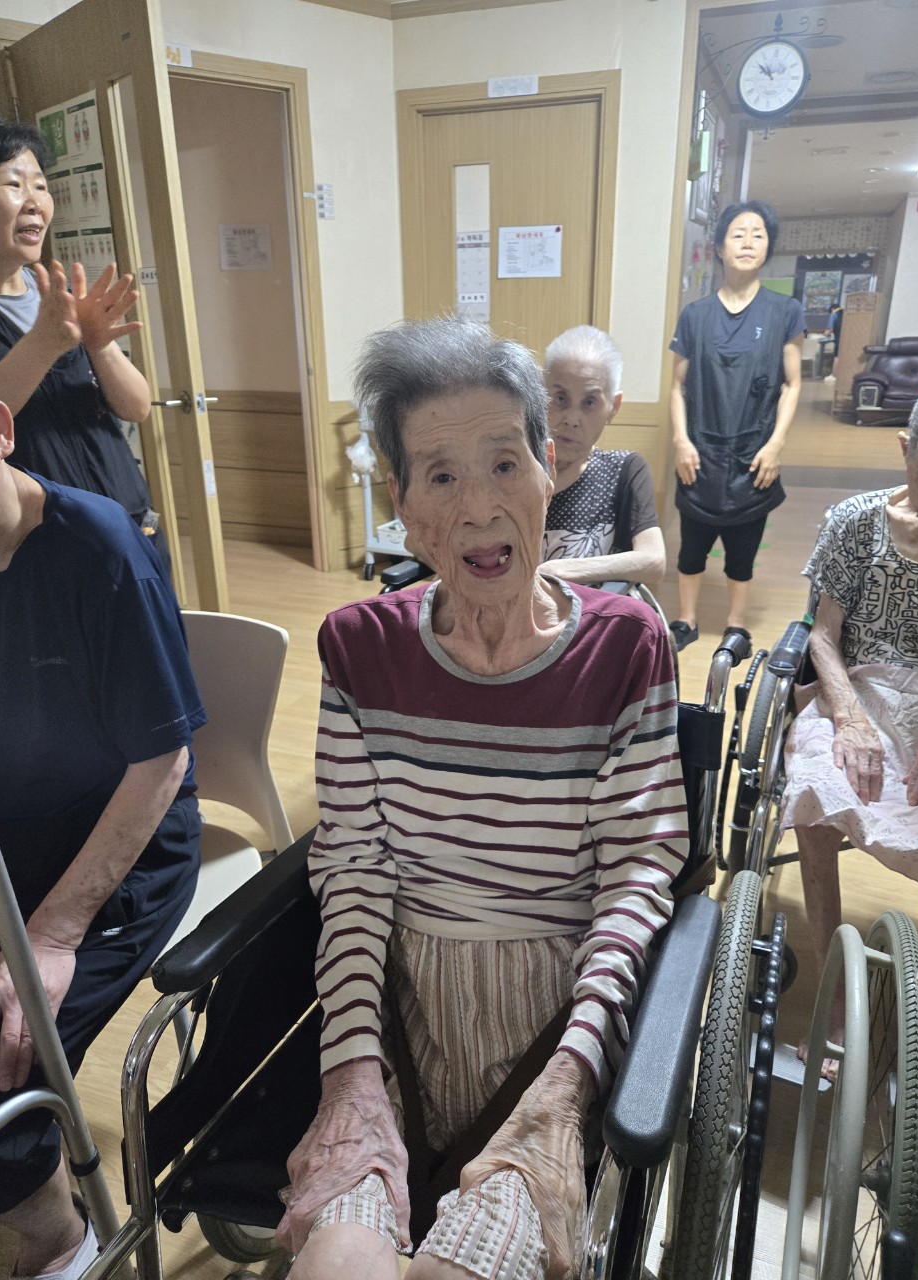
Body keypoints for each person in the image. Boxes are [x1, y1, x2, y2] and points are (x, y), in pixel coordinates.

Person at [275, 316, 688, 1280]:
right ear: (402, 505)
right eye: (441, 476)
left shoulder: (626, 649)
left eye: (505, 464)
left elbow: (637, 876)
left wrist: (567, 1084)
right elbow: (354, 870)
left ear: (550, 469)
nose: (479, 508)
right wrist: (351, 1075)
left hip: (562, 1021)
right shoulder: (359, 649)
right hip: (399, 1017)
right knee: (336, 1264)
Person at [0, 383, 205, 1280]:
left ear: (0, 430)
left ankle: (62, 1244)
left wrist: (50, 935)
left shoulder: (99, 548)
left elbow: (163, 764)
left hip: (117, 847)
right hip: (2, 844)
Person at [781, 381, 918, 1076]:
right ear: (905, 450)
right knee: (816, 786)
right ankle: (834, 1000)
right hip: (858, 689)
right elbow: (822, 634)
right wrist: (848, 719)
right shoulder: (856, 520)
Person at [0, 113, 167, 566]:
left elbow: (137, 407)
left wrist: (99, 344)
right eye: (14, 184)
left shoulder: (56, 296)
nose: (35, 202)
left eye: (41, 186)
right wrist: (42, 345)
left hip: (128, 524)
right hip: (41, 549)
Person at [668, 199, 804, 653]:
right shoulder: (695, 315)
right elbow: (677, 387)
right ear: (720, 248)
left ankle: (736, 626)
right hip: (700, 450)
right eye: (738, 234)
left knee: (743, 548)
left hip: (754, 451)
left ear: (768, 247)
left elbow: (792, 384)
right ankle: (686, 621)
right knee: (692, 547)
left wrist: (776, 444)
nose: (748, 242)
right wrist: (680, 440)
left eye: (758, 234)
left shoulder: (785, 311)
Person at [539, 325, 665, 587]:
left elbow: (653, 561)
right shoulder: (514, 468)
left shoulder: (624, 469)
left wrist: (560, 570)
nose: (572, 419)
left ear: (613, 407)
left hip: (596, 611)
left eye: (589, 402)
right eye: (560, 398)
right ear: (539, 394)